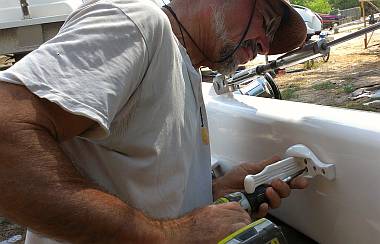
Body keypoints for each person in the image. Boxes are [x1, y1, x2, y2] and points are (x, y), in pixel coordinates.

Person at [0, 0, 308, 243]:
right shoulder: (141, 24)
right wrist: (173, 236)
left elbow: (142, 188)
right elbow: (6, 135)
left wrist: (214, 191)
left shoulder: (187, 69)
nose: (265, 46)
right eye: (266, 21)